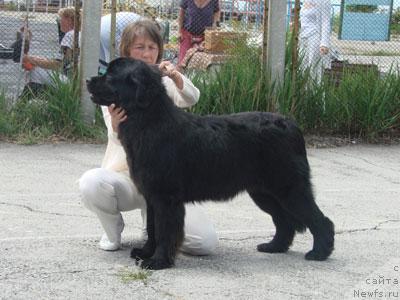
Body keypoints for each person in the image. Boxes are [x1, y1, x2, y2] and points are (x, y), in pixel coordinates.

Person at [79, 19, 219, 255]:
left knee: (203, 244)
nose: (146, 53)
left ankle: (152, 231)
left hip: (166, 178)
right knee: (91, 182)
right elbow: (114, 138)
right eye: (139, 47)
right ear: (127, 50)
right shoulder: (112, 85)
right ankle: (113, 231)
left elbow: (192, 97)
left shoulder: (162, 82)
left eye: (151, 47)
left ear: (159, 51)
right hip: (127, 177)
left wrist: (175, 77)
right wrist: (116, 123)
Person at [21, 7, 80, 96]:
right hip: (76, 80)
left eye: (61, 19)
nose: (59, 22)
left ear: (69, 20)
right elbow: (64, 61)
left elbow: (58, 64)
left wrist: (31, 59)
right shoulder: (78, 33)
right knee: (37, 68)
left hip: (69, 81)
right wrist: (38, 60)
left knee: (34, 70)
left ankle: (23, 103)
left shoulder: (69, 36)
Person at [177, 0, 220, 66]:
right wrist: (179, 31)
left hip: (205, 37)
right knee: (182, 62)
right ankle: (180, 75)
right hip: (187, 34)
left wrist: (214, 24)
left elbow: (217, 11)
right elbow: (181, 13)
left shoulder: (214, 1)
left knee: (202, 62)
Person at [299, 0, 331, 82]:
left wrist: (324, 43)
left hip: (314, 35)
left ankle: (316, 92)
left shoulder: (324, 1)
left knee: (314, 67)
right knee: (302, 66)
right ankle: (304, 92)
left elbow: (326, 21)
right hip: (303, 37)